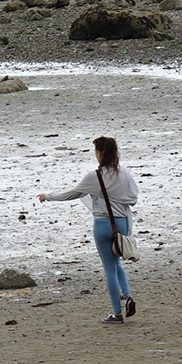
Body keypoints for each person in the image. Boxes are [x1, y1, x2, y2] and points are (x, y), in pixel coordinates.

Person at [39, 136, 139, 324]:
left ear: (99, 153)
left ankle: (117, 314)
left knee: (109, 267)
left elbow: (72, 194)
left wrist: (48, 196)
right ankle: (127, 295)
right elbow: (133, 199)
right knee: (116, 262)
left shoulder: (94, 176)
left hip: (103, 224)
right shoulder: (125, 173)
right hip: (122, 223)